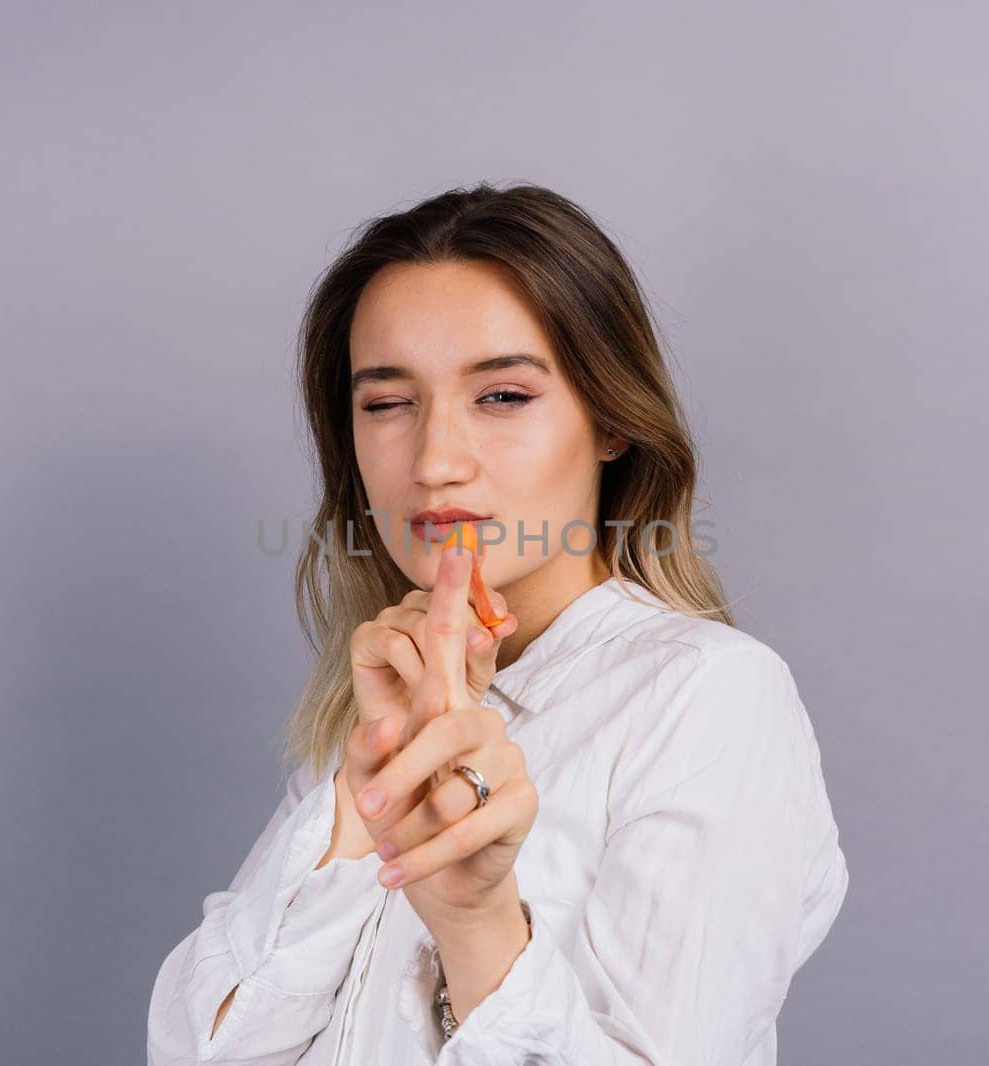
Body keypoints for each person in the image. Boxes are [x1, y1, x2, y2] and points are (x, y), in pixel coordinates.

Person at [147, 182, 849, 1064]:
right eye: (386, 403)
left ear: (610, 421)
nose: (435, 461)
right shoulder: (373, 718)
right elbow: (197, 1051)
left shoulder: (707, 697)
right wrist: (359, 813)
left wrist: (476, 925)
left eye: (504, 396)